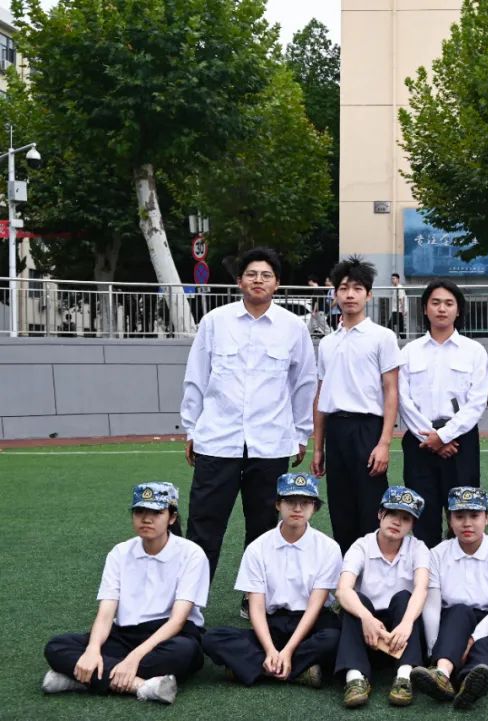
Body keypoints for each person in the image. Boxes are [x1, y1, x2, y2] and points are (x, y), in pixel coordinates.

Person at [181, 246, 316, 585]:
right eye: (252, 274)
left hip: (270, 443)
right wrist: (192, 429)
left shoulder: (293, 327)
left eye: (266, 275)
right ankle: (191, 600)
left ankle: (255, 598)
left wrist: (300, 434)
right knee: (204, 524)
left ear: (277, 283)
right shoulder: (215, 322)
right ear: (239, 281)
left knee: (264, 527)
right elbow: (196, 377)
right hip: (217, 440)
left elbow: (304, 383)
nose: (258, 280)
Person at [42, 483, 209, 705]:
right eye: (139, 512)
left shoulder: (192, 554)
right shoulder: (119, 553)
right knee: (56, 646)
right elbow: (105, 613)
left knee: (185, 653)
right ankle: (141, 686)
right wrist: (92, 649)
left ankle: (81, 679)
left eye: (156, 512)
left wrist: (134, 658)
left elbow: (177, 621)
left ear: (172, 518)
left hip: (170, 635)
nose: (146, 519)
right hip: (124, 634)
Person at [202, 473, 342, 688]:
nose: (297, 508)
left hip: (313, 622)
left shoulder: (328, 547)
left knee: (335, 638)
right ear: (278, 504)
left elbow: (315, 606)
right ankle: (298, 671)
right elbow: (256, 607)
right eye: (290, 501)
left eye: (305, 502)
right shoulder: (258, 548)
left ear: (314, 507)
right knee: (212, 638)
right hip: (274, 623)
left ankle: (255, 668)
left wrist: (287, 651)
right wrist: (270, 649)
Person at [311, 256, 403, 554]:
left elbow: (391, 391)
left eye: (357, 288)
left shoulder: (382, 337)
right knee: (341, 509)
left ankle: (374, 575)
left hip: (367, 430)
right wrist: (318, 447)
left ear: (369, 295)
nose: (350, 295)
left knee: (371, 509)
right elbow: (321, 395)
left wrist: (384, 443)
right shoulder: (327, 342)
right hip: (336, 430)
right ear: (335, 294)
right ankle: (346, 576)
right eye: (343, 288)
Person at [399, 280, 488, 546]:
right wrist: (431, 438)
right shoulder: (409, 352)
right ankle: (425, 570)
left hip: (461, 443)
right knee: (423, 516)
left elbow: (477, 402)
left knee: (463, 514)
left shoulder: (474, 351)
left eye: (449, 303)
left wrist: (445, 436)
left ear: (458, 310)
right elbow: (403, 400)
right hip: (419, 442)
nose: (442, 309)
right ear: (424, 308)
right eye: (435, 303)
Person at [412, 487, 488, 710]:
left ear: (487, 518)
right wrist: (434, 648)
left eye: (475, 516)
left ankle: (470, 682)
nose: (467, 524)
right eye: (459, 517)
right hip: (453, 619)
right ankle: (441, 673)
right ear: (450, 520)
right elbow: (432, 606)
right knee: (459, 611)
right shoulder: (437, 554)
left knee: (487, 644)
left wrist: (473, 638)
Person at [336, 486, 429, 708]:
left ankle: (405, 676)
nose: (397, 522)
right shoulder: (361, 545)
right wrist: (366, 618)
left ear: (412, 525)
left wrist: (406, 624)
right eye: (392, 513)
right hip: (366, 631)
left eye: (405, 518)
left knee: (405, 597)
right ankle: (355, 678)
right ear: (380, 514)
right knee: (356, 601)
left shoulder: (418, 548)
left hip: (401, 633)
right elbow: (342, 590)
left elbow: (422, 588)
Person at [390, 272, 408, 338]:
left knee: (390, 325)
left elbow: (401, 299)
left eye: (394, 278)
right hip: (397, 311)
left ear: (398, 279)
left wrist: (403, 311)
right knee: (401, 328)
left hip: (398, 311)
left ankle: (392, 338)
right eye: (392, 279)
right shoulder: (395, 288)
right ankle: (404, 340)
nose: (392, 280)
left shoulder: (399, 287)